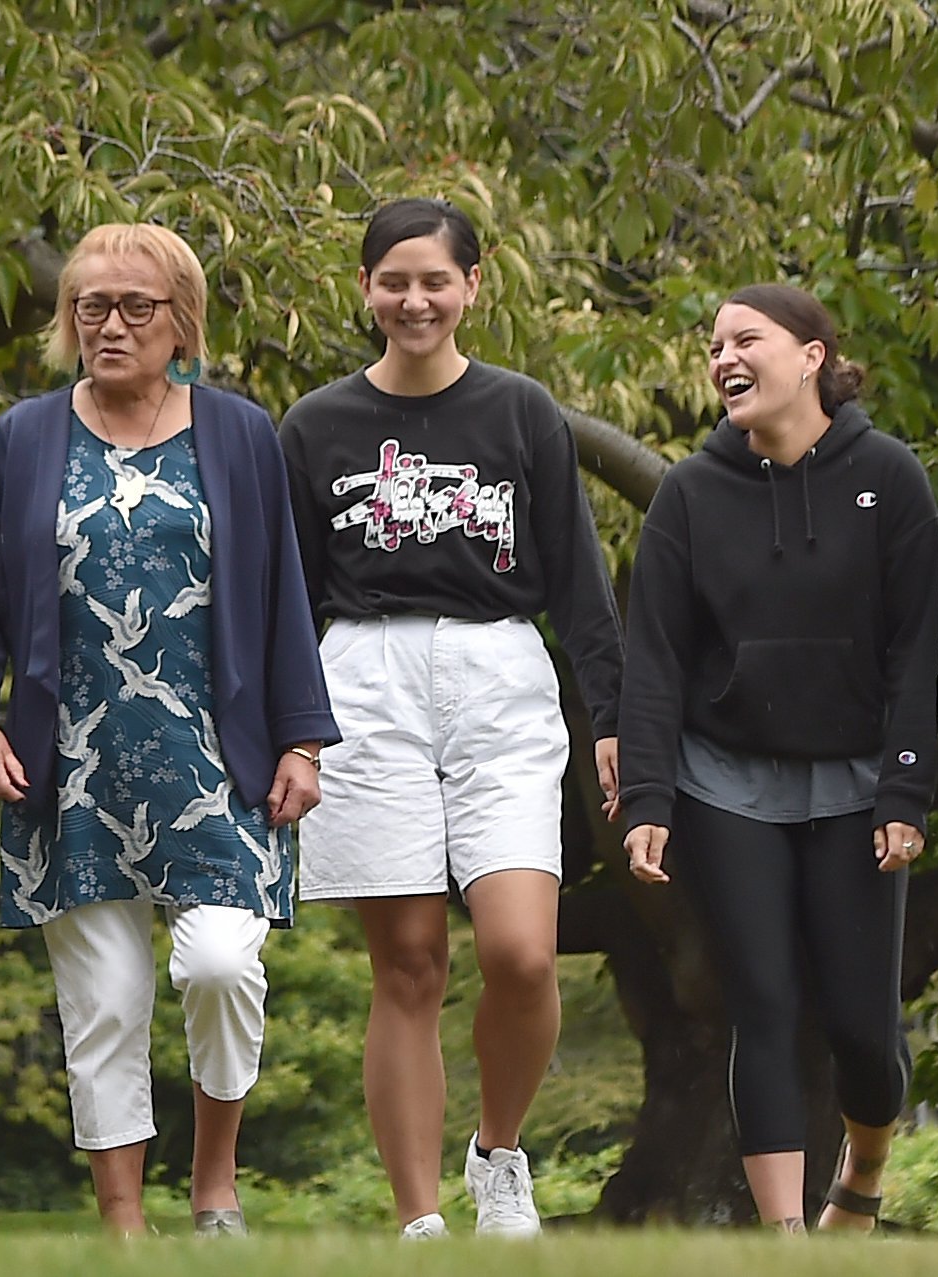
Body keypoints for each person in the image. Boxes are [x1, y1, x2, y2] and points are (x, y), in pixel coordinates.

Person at [0, 221, 336, 1238]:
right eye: (90, 307)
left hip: (218, 762)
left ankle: (214, 1185)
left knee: (215, 963)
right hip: (69, 767)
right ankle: (121, 1224)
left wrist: (300, 738)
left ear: (181, 321)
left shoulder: (241, 433)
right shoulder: (25, 437)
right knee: (106, 1001)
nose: (110, 325)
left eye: (134, 307)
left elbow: (282, 592)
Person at [279, 197, 624, 1239]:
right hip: (362, 676)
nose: (414, 298)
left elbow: (578, 578)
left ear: (472, 285)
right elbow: (286, 596)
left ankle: (497, 1152)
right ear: (364, 290)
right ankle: (418, 1216)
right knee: (411, 962)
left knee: (521, 948)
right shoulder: (315, 424)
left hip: (499, 669)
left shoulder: (521, 412)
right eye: (393, 280)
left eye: (434, 279)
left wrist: (611, 714)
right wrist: (291, 728)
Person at [616, 284, 938, 1233]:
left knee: (861, 1028)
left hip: (856, 786)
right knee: (758, 1002)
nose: (723, 358)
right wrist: (647, 797)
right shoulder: (688, 493)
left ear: (810, 355)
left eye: (744, 339)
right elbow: (656, 660)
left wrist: (905, 788)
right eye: (713, 345)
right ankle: (784, 1239)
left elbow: (917, 645)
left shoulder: (890, 476)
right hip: (726, 783)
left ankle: (865, 1165)